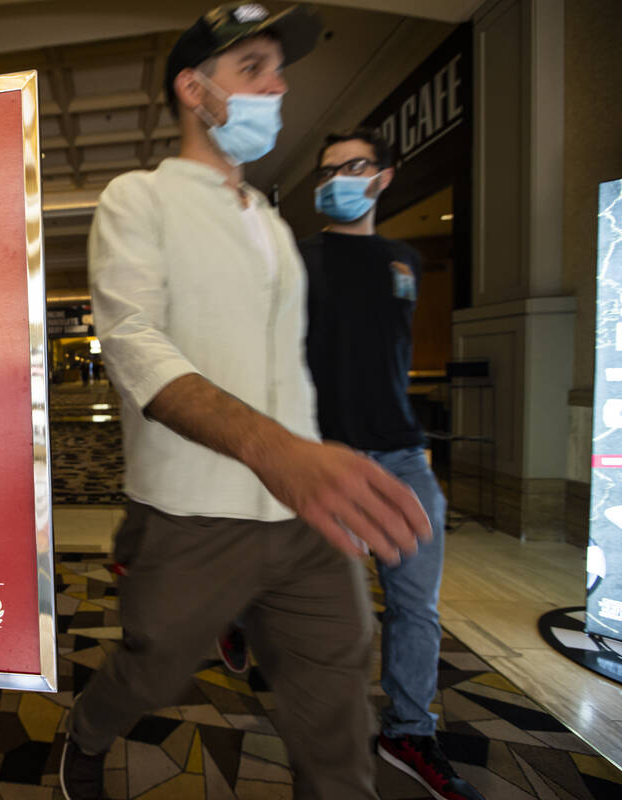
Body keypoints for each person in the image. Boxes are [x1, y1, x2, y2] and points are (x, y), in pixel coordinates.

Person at [58, 5, 432, 800]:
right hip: (194, 513)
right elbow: (132, 342)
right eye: (253, 69)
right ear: (196, 89)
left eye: (277, 67)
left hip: (302, 521)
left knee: (335, 694)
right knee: (152, 667)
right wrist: (273, 449)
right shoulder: (140, 198)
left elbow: (292, 370)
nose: (278, 84)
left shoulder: (269, 220)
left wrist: (327, 456)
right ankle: (86, 732)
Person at [301, 128, 485, 800]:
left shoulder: (405, 260)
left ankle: (410, 729)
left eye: (350, 167)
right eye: (326, 171)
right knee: (328, 611)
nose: (336, 180)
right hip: (332, 458)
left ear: (383, 176)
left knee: (416, 608)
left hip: (405, 457)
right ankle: (325, 737)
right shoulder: (299, 261)